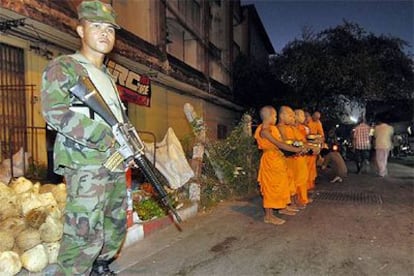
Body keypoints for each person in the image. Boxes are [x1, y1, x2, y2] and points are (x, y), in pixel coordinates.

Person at [41, 1, 127, 275]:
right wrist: (102, 134)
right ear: (80, 30)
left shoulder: (107, 77)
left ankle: (99, 266)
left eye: (110, 29)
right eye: (97, 26)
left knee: (114, 223)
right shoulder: (65, 67)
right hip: (86, 162)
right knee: (84, 231)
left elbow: (116, 119)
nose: (105, 33)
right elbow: (53, 112)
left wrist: (128, 148)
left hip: (114, 161)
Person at [254, 106, 307, 225]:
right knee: (271, 187)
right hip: (270, 161)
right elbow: (279, 144)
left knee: (283, 184)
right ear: (269, 116)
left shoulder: (272, 128)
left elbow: (283, 143)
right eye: (274, 116)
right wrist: (296, 150)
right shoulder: (264, 131)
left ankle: (282, 206)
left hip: (278, 159)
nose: (275, 118)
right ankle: (268, 216)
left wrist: (297, 148)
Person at [278, 106, 309, 208]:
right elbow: (286, 142)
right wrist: (299, 146)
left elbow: (299, 140)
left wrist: (305, 146)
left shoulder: (291, 128)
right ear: (282, 116)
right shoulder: (280, 128)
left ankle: (296, 200)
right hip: (288, 158)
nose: (293, 118)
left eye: (293, 116)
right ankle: (291, 202)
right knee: (291, 181)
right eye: (290, 116)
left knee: (298, 180)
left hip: (295, 155)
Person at [305, 111, 325, 190]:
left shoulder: (318, 123)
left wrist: (319, 141)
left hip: (313, 146)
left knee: (311, 168)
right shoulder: (306, 123)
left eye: (318, 119)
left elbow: (322, 135)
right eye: (315, 118)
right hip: (306, 147)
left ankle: (310, 185)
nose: (316, 119)